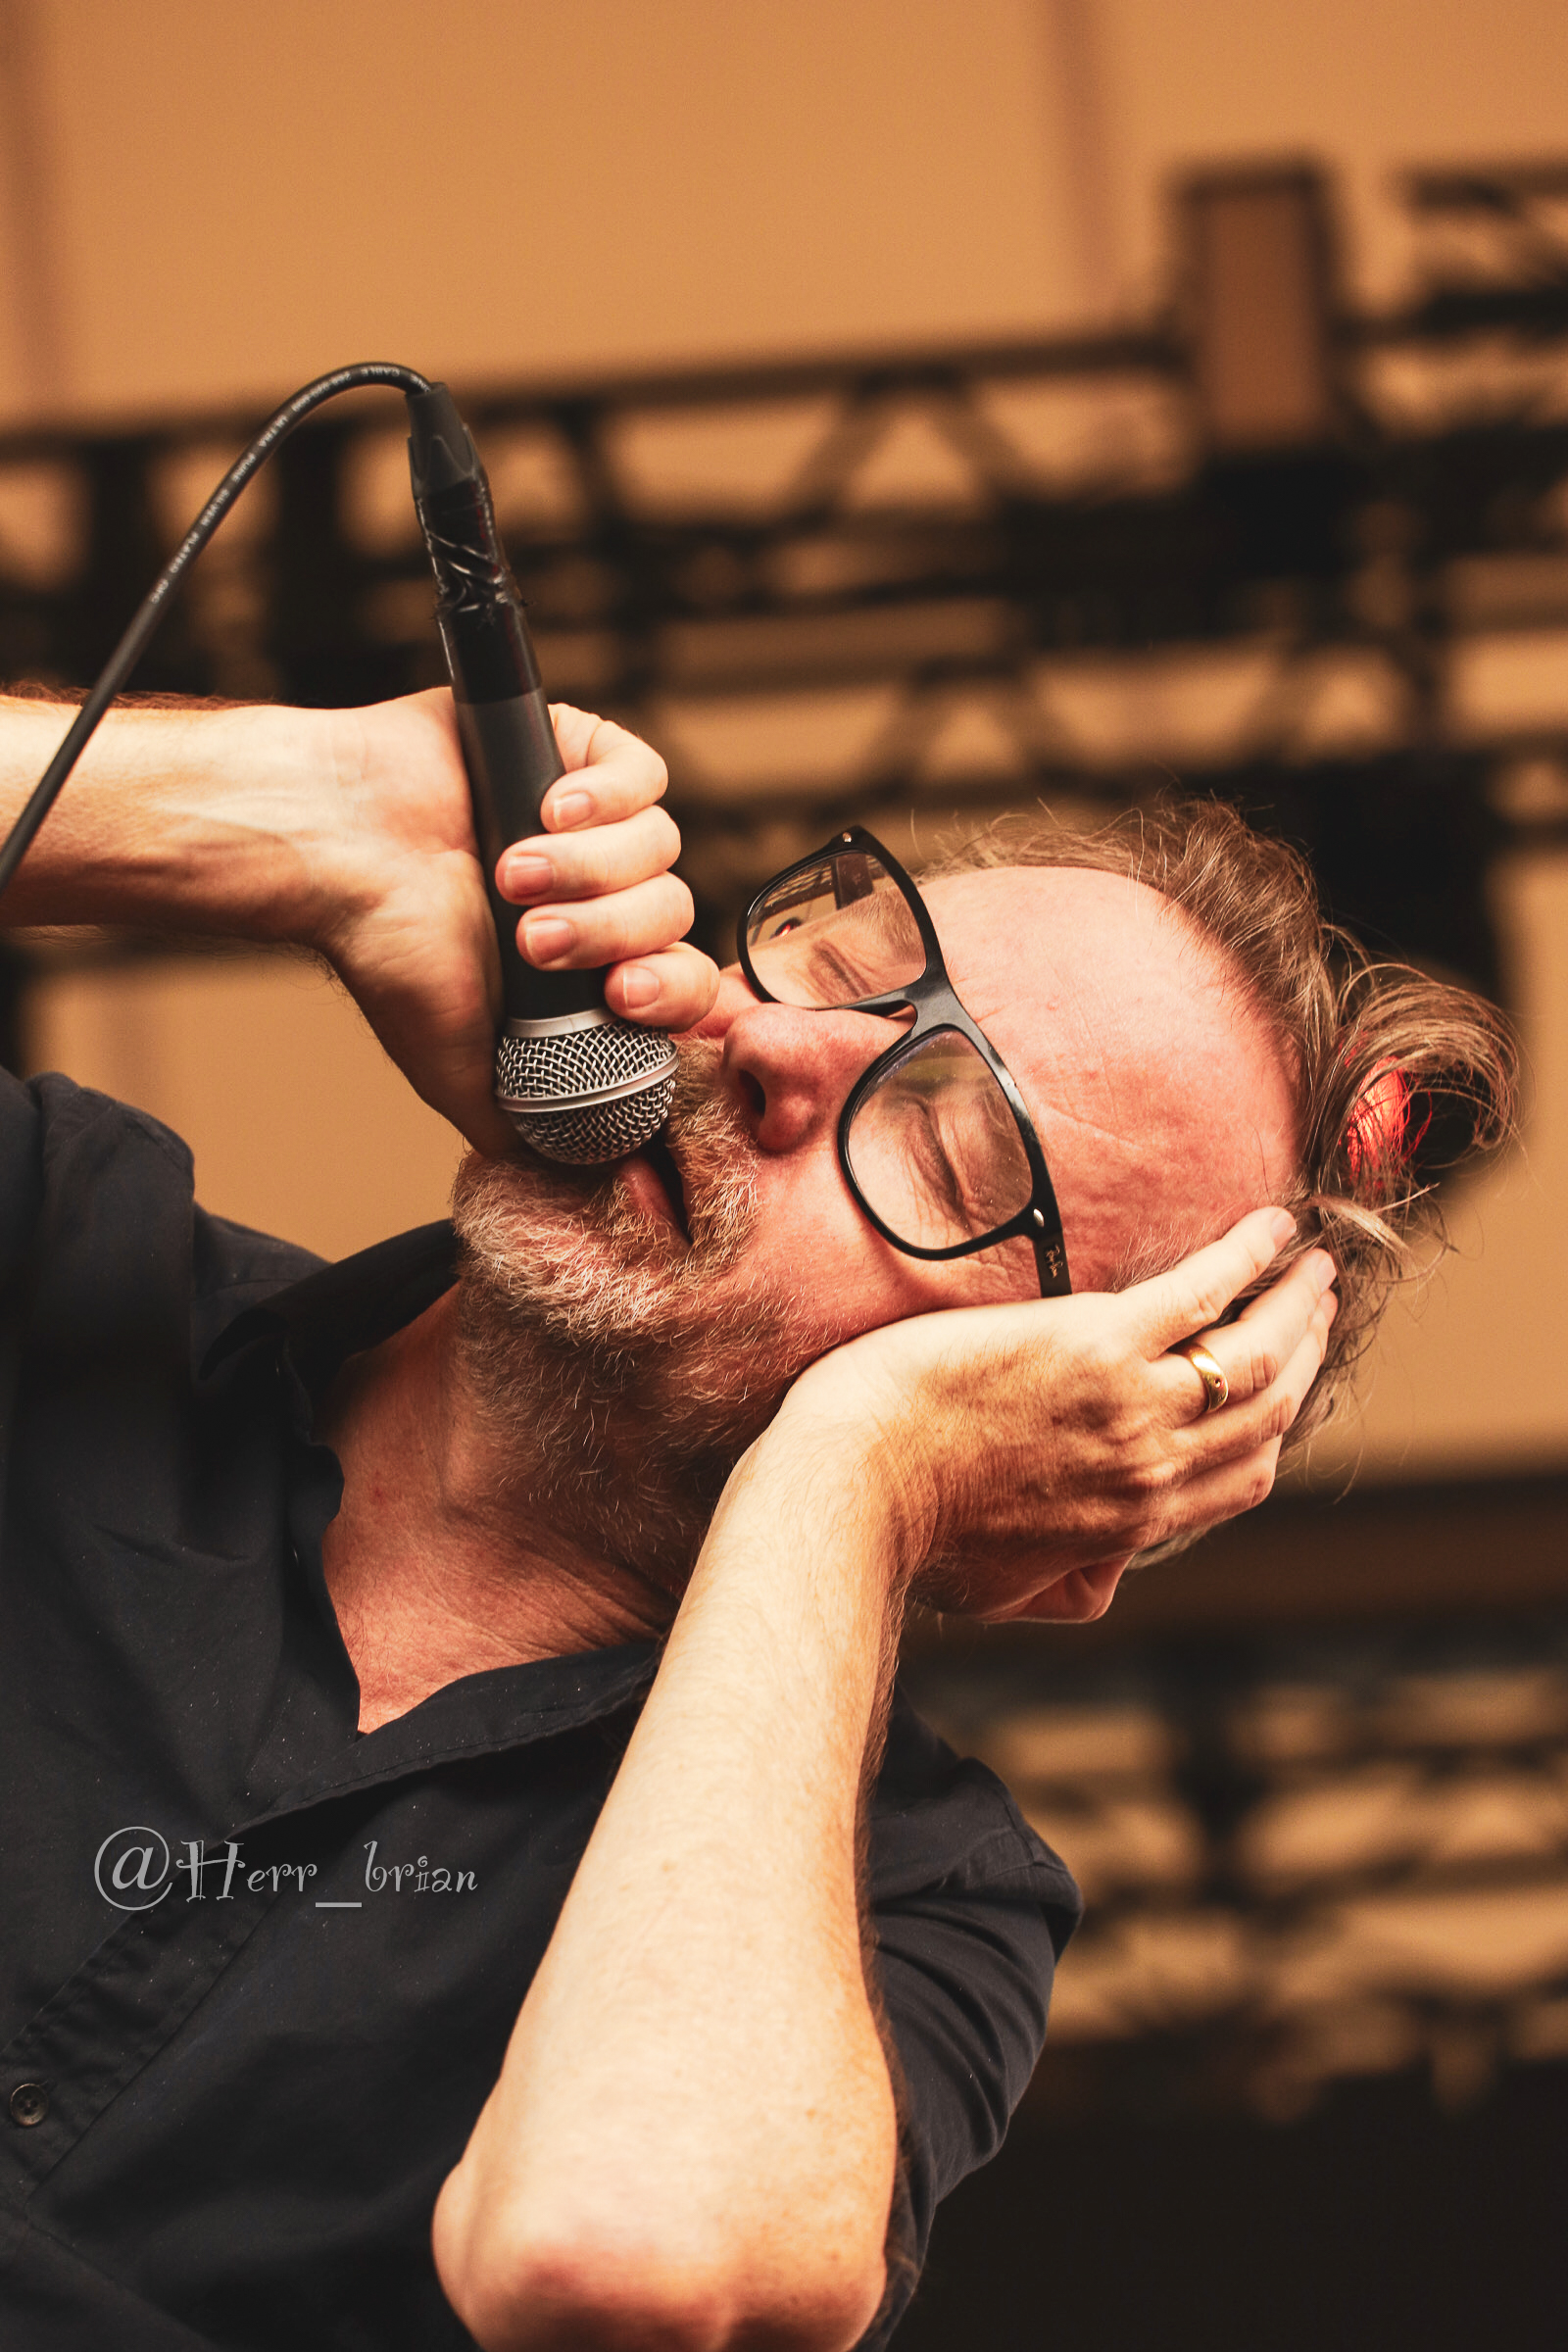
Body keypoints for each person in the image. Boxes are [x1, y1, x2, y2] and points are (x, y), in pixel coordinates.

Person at [0, 688, 1511, 2352]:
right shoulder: (66, 1243)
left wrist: (855, 1470)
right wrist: (295, 806)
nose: (774, 1049)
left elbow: (621, 2258)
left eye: (949, 1151)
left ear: (1045, 1499)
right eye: (839, 965)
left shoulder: (917, 1902)